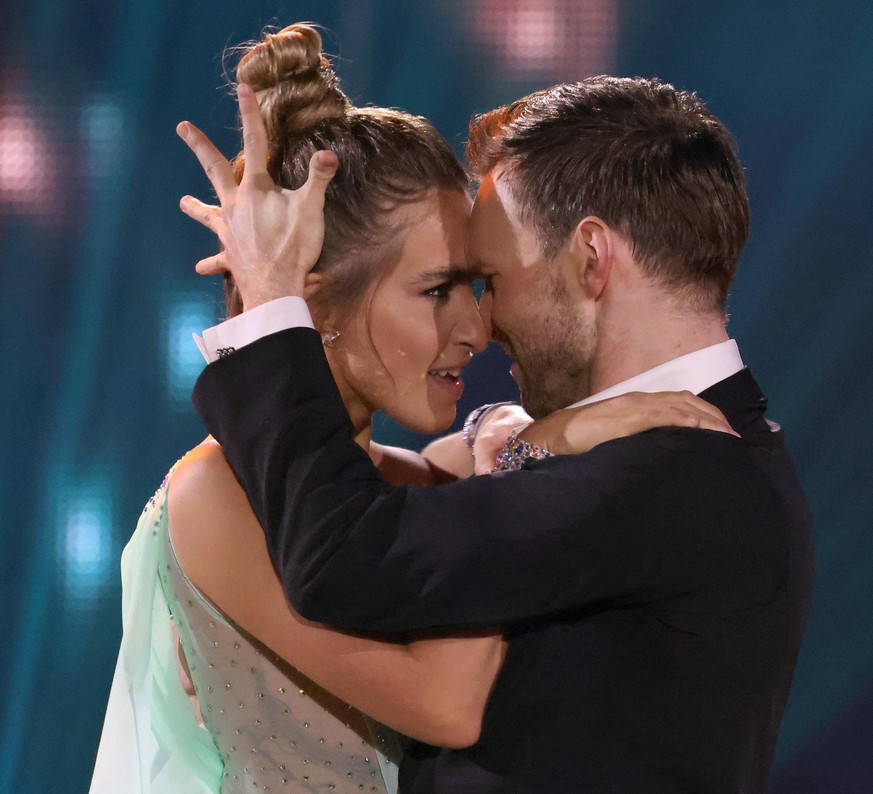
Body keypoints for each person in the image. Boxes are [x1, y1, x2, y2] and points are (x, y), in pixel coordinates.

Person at [91, 26, 733, 794]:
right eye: (436, 290)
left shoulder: (419, 483)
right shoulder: (217, 497)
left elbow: (428, 498)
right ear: (314, 304)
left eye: (475, 284)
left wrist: (520, 438)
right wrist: (535, 449)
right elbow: (445, 705)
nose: (475, 326)